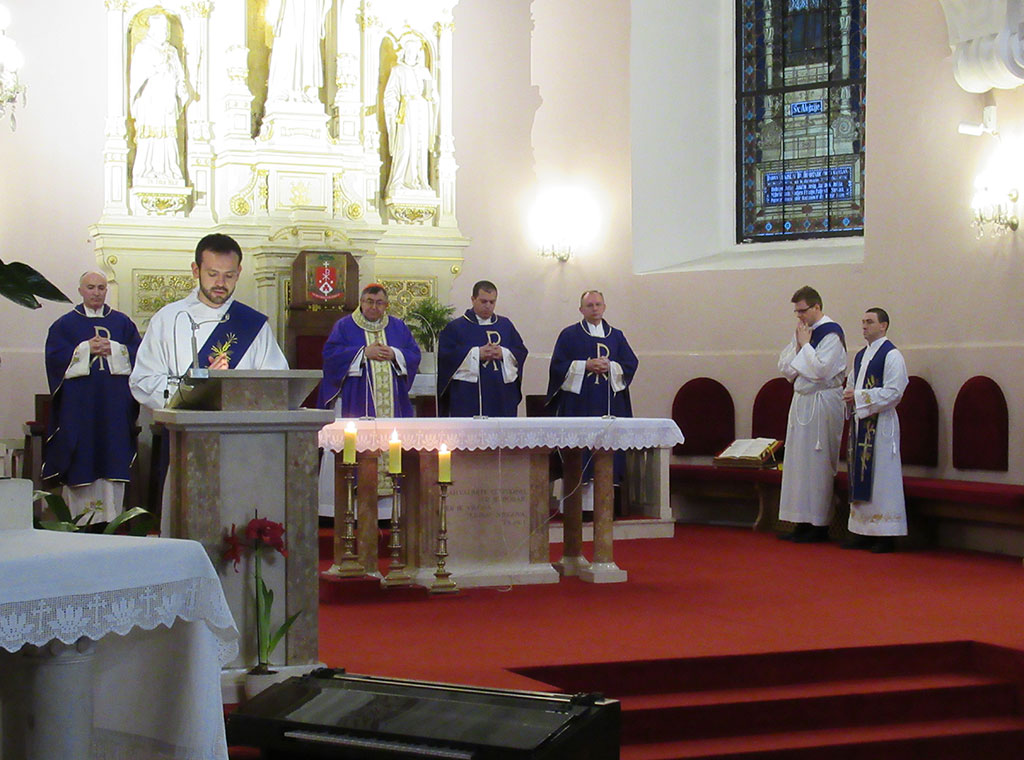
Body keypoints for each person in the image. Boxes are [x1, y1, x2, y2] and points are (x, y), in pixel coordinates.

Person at [129, 233, 289, 410]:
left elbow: (277, 385)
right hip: (183, 424)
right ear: (196, 270)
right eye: (212, 274)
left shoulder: (253, 324)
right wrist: (198, 388)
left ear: (238, 273)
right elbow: (143, 381)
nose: (220, 283)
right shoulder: (167, 319)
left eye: (229, 275)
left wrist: (232, 389)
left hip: (239, 423)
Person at [42, 272, 142, 522]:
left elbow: (140, 353)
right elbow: (54, 358)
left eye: (101, 287)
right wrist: (85, 349)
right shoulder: (65, 325)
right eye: (90, 287)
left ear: (106, 290)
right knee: (81, 455)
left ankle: (112, 520)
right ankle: (80, 522)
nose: (96, 292)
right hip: (79, 408)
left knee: (113, 454)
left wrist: (115, 349)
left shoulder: (122, 323)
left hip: (114, 406)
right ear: (80, 290)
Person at [777, 285, 846, 543]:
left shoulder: (831, 334)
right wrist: (800, 346)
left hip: (822, 402)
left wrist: (805, 347)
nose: (799, 316)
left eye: (803, 311)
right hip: (802, 401)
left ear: (817, 307)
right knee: (798, 463)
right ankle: (801, 521)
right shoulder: (804, 332)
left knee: (817, 463)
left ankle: (819, 524)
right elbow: (785, 368)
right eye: (796, 312)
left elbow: (820, 371)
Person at [842, 308, 908, 553]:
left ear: (883, 325)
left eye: (869, 322)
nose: (864, 326)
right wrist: (849, 396)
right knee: (861, 474)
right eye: (863, 321)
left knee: (882, 478)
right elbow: (851, 385)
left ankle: (886, 535)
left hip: (881, 426)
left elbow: (895, 392)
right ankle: (862, 531)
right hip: (861, 423)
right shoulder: (860, 356)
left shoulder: (892, 355)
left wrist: (859, 397)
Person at [317, 283, 421, 418]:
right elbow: (330, 355)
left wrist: (395, 354)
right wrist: (363, 353)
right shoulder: (344, 325)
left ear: (386, 305)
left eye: (379, 303)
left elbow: (414, 354)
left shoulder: (398, 326)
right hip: (357, 393)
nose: (374, 307)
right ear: (361, 302)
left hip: (393, 397)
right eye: (370, 301)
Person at [437, 281, 528, 417]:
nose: (488, 306)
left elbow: (521, 351)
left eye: (492, 302)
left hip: (502, 392)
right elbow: (446, 357)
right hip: (468, 394)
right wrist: (475, 354)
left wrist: (504, 353)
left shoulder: (505, 325)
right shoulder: (456, 327)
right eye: (483, 301)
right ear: (473, 299)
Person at [546, 290, 638, 418]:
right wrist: (585, 365)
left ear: (604, 307)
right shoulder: (569, 335)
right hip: (578, 402)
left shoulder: (616, 336)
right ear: (581, 310)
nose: (595, 308)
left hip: (610, 400)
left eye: (598, 304)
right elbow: (557, 367)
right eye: (589, 305)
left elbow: (630, 363)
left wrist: (610, 367)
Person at [129, 12, 189, 183]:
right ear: (153, 30)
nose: (166, 33)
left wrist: (181, 87)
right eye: (163, 29)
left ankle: (169, 171)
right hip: (150, 99)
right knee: (151, 135)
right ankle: (146, 170)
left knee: (167, 137)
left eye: (167, 29)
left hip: (167, 100)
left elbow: (179, 75)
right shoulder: (143, 48)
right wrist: (155, 69)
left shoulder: (172, 52)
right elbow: (137, 75)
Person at [383, 33, 436, 200]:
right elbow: (390, 94)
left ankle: (420, 180)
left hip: (422, 110)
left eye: (414, 50)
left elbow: (432, 93)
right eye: (408, 50)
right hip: (406, 111)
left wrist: (431, 97)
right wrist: (392, 107)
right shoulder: (398, 71)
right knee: (405, 145)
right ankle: (399, 181)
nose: (411, 53)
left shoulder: (424, 71)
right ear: (404, 52)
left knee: (420, 145)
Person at [266, 0, 331, 104]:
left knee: (307, 45)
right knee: (288, 44)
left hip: (310, 8)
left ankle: (307, 89)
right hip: (289, 8)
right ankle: (284, 89)